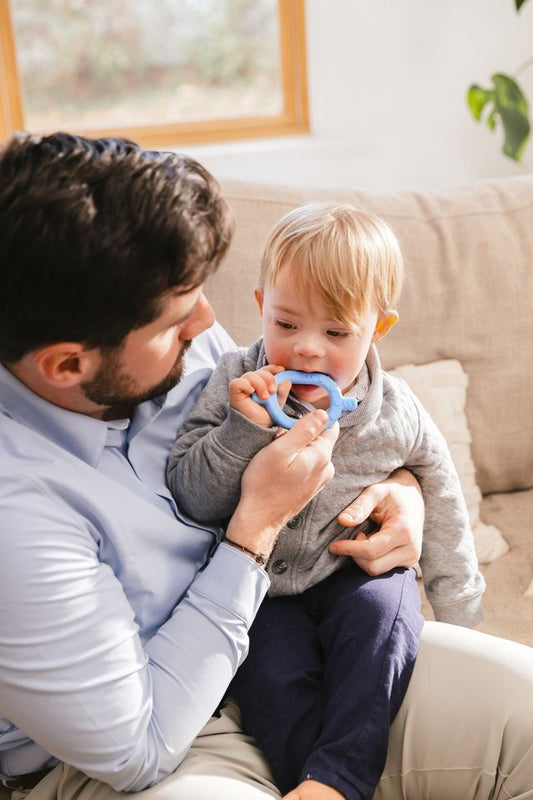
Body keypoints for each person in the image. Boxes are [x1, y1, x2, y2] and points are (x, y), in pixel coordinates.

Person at [0, 132, 531, 800]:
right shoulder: (15, 516)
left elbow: (368, 445)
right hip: (159, 742)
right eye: (175, 319)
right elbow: (138, 749)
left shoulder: (187, 353)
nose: (207, 323)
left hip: (310, 628)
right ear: (69, 364)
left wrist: (400, 492)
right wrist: (257, 524)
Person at [167, 204, 484, 800]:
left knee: (384, 625)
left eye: (336, 332)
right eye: (286, 324)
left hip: (350, 568)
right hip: (260, 588)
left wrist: (461, 609)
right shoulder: (233, 380)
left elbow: (441, 497)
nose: (307, 349)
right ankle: (316, 785)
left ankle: (339, 775)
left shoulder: (397, 411)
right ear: (261, 305)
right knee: (269, 675)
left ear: (377, 329)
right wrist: (242, 431)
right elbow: (190, 491)